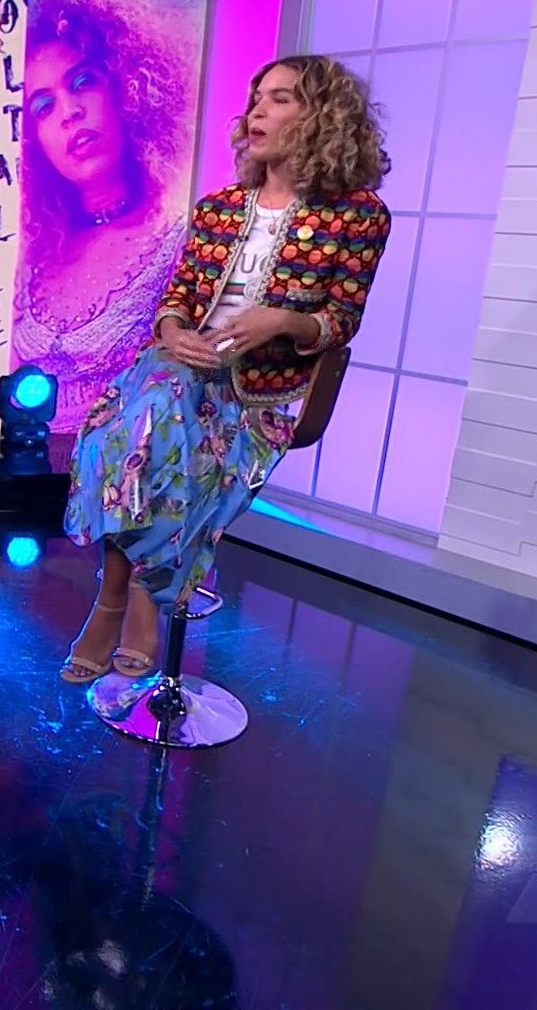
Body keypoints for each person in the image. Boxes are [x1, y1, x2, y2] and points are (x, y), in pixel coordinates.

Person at [59, 55, 391, 682]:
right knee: (145, 421)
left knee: (154, 434)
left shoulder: (358, 215)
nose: (257, 111)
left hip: (259, 391)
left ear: (323, 117)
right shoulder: (220, 207)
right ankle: (136, 598)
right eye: (256, 98)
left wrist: (282, 322)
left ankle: (121, 598)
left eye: (281, 99)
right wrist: (173, 331)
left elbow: (341, 319)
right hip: (180, 370)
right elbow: (178, 297)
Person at [11, 0, 198, 432]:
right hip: (18, 465)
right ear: (32, 141)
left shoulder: (182, 240)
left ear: (125, 88)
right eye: (43, 107)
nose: (70, 112)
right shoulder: (28, 255)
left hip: (129, 467)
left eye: (82, 82)